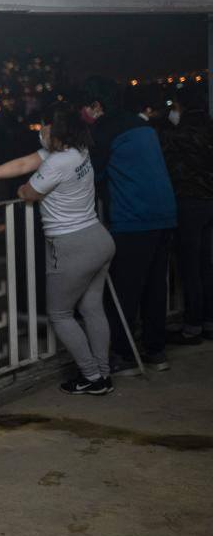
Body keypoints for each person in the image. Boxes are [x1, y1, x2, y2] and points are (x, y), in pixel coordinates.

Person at [0, 103, 116, 394]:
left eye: (45, 127)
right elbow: (23, 164)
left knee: (60, 314)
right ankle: (103, 374)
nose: (40, 130)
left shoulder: (57, 162)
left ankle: (92, 377)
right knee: (92, 307)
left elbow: (28, 192)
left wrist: (20, 190)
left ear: (58, 134)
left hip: (71, 246)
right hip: (98, 239)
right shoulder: (77, 151)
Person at [81, 76, 178, 375]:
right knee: (154, 286)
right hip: (164, 213)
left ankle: (124, 355)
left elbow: (91, 175)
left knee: (125, 289)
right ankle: (155, 350)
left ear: (97, 106)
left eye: (86, 108)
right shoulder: (141, 125)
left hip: (135, 217)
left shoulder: (104, 129)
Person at [161, 87, 213, 343]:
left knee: (190, 267)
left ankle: (192, 325)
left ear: (181, 107)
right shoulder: (209, 129)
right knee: (207, 265)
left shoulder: (177, 136)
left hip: (189, 204)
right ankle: (209, 321)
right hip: (210, 204)